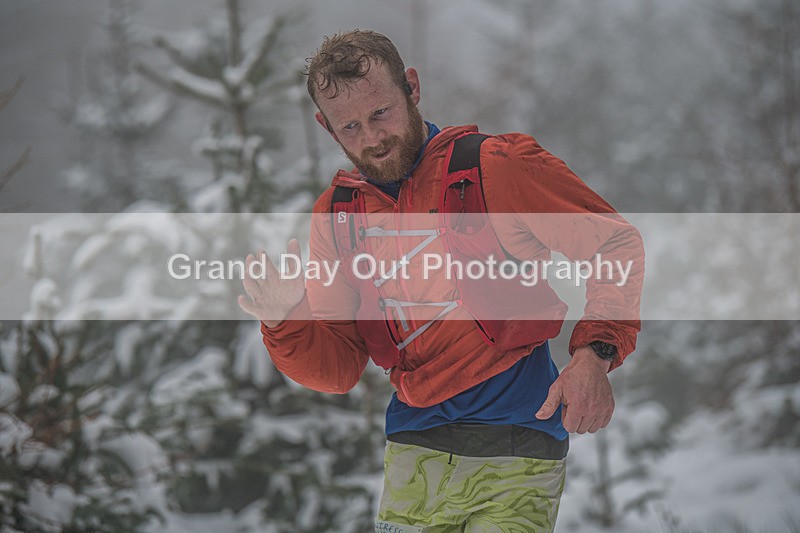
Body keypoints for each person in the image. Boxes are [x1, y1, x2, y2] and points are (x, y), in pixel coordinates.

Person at [238, 29, 644, 533]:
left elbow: (614, 244)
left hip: (516, 441)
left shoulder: (493, 167)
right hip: (414, 446)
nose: (371, 138)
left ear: (411, 87)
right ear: (326, 127)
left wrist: (594, 356)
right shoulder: (339, 216)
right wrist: (287, 323)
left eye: (381, 113)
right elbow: (339, 368)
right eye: (350, 126)